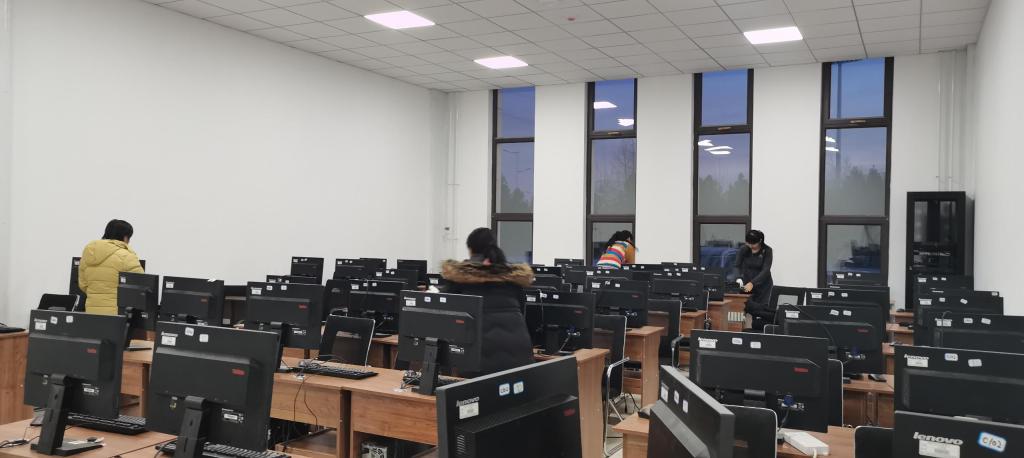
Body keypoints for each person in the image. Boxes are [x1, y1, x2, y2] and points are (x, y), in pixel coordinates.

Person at [441, 227, 535, 375]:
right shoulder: (513, 281)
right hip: (520, 359)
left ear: (470, 249)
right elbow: (522, 314)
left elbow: (444, 320)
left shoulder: (458, 281)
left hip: (478, 363)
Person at [78, 219, 144, 315]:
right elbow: (141, 285)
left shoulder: (89, 253)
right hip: (116, 314)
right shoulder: (126, 255)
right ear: (125, 237)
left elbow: (83, 285)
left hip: (91, 312)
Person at [734, 229, 774, 329]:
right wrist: (738, 278)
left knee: (761, 311)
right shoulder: (743, 249)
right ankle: (742, 329)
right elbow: (737, 266)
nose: (751, 246)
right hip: (746, 284)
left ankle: (759, 331)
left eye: (753, 244)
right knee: (743, 307)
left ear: (760, 241)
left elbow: (766, 270)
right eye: (749, 243)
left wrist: (753, 283)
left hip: (763, 286)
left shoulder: (767, 250)